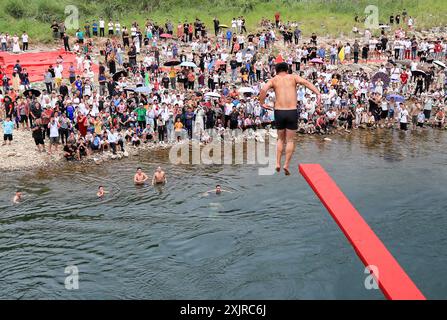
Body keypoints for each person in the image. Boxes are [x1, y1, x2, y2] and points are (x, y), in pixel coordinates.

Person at [259, 62, 321, 175]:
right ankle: (286, 164)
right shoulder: (293, 77)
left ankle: (277, 163)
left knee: (280, 139)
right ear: (287, 70)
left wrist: (262, 102)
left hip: (279, 112)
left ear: (276, 71)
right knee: (290, 140)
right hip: (291, 111)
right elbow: (307, 83)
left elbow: (263, 90)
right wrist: (318, 94)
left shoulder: (273, 80)